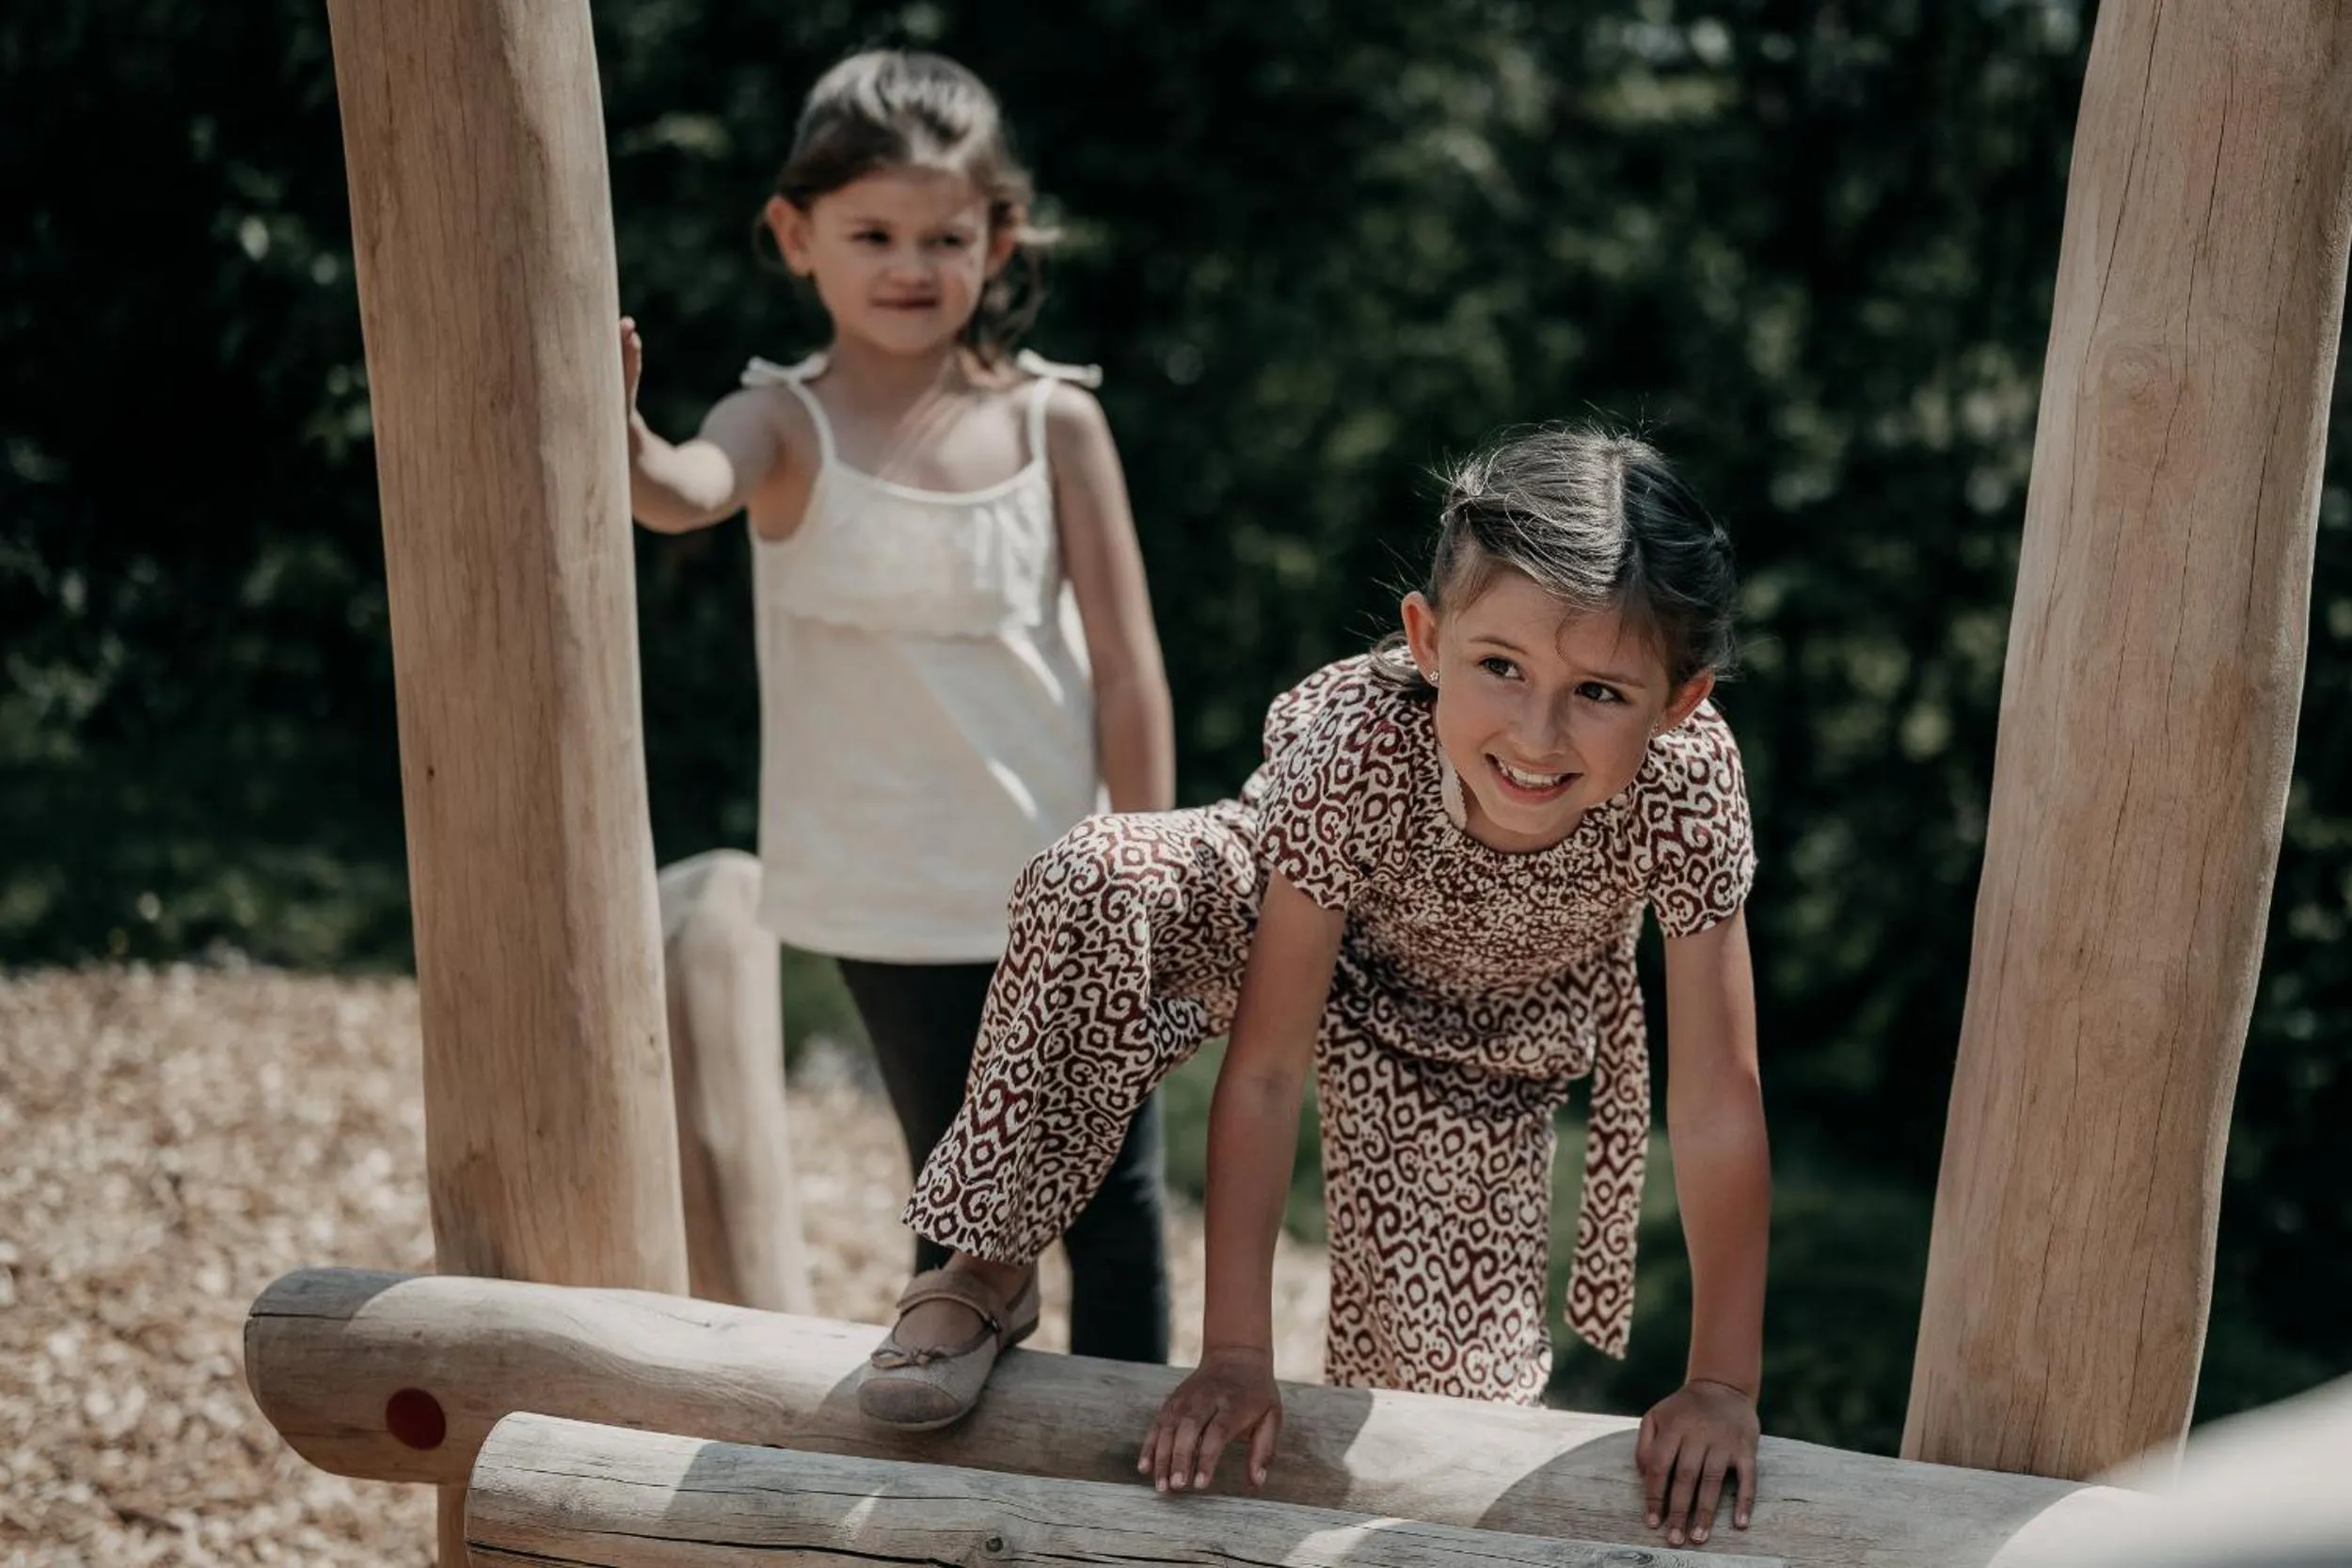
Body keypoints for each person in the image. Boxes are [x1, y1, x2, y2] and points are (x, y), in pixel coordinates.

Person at [864, 424, 1769, 1550]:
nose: (1537, 733)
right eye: (1500, 666)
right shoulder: (1358, 742)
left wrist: (1723, 1380)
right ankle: (987, 1261)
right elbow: (1269, 1064)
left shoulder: (1688, 783)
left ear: (1677, 704)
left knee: (1444, 1438)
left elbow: (1719, 1100)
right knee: (1101, 875)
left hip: (1473, 1049)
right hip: (1276, 932)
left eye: (1597, 690)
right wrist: (1235, 1355)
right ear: (1428, 640)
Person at [621, 49, 1176, 1365]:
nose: (911, 265)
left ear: (1000, 236)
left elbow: (1126, 663)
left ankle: (1132, 1476)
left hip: (1072, 881)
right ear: (796, 235)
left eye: (945, 234)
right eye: (872, 234)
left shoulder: (1055, 422)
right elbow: (686, 487)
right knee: (959, 1193)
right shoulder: (781, 420)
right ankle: (967, 1465)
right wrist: (621, 428)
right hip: (890, 889)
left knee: (1113, 1196)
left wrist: (1155, 872)